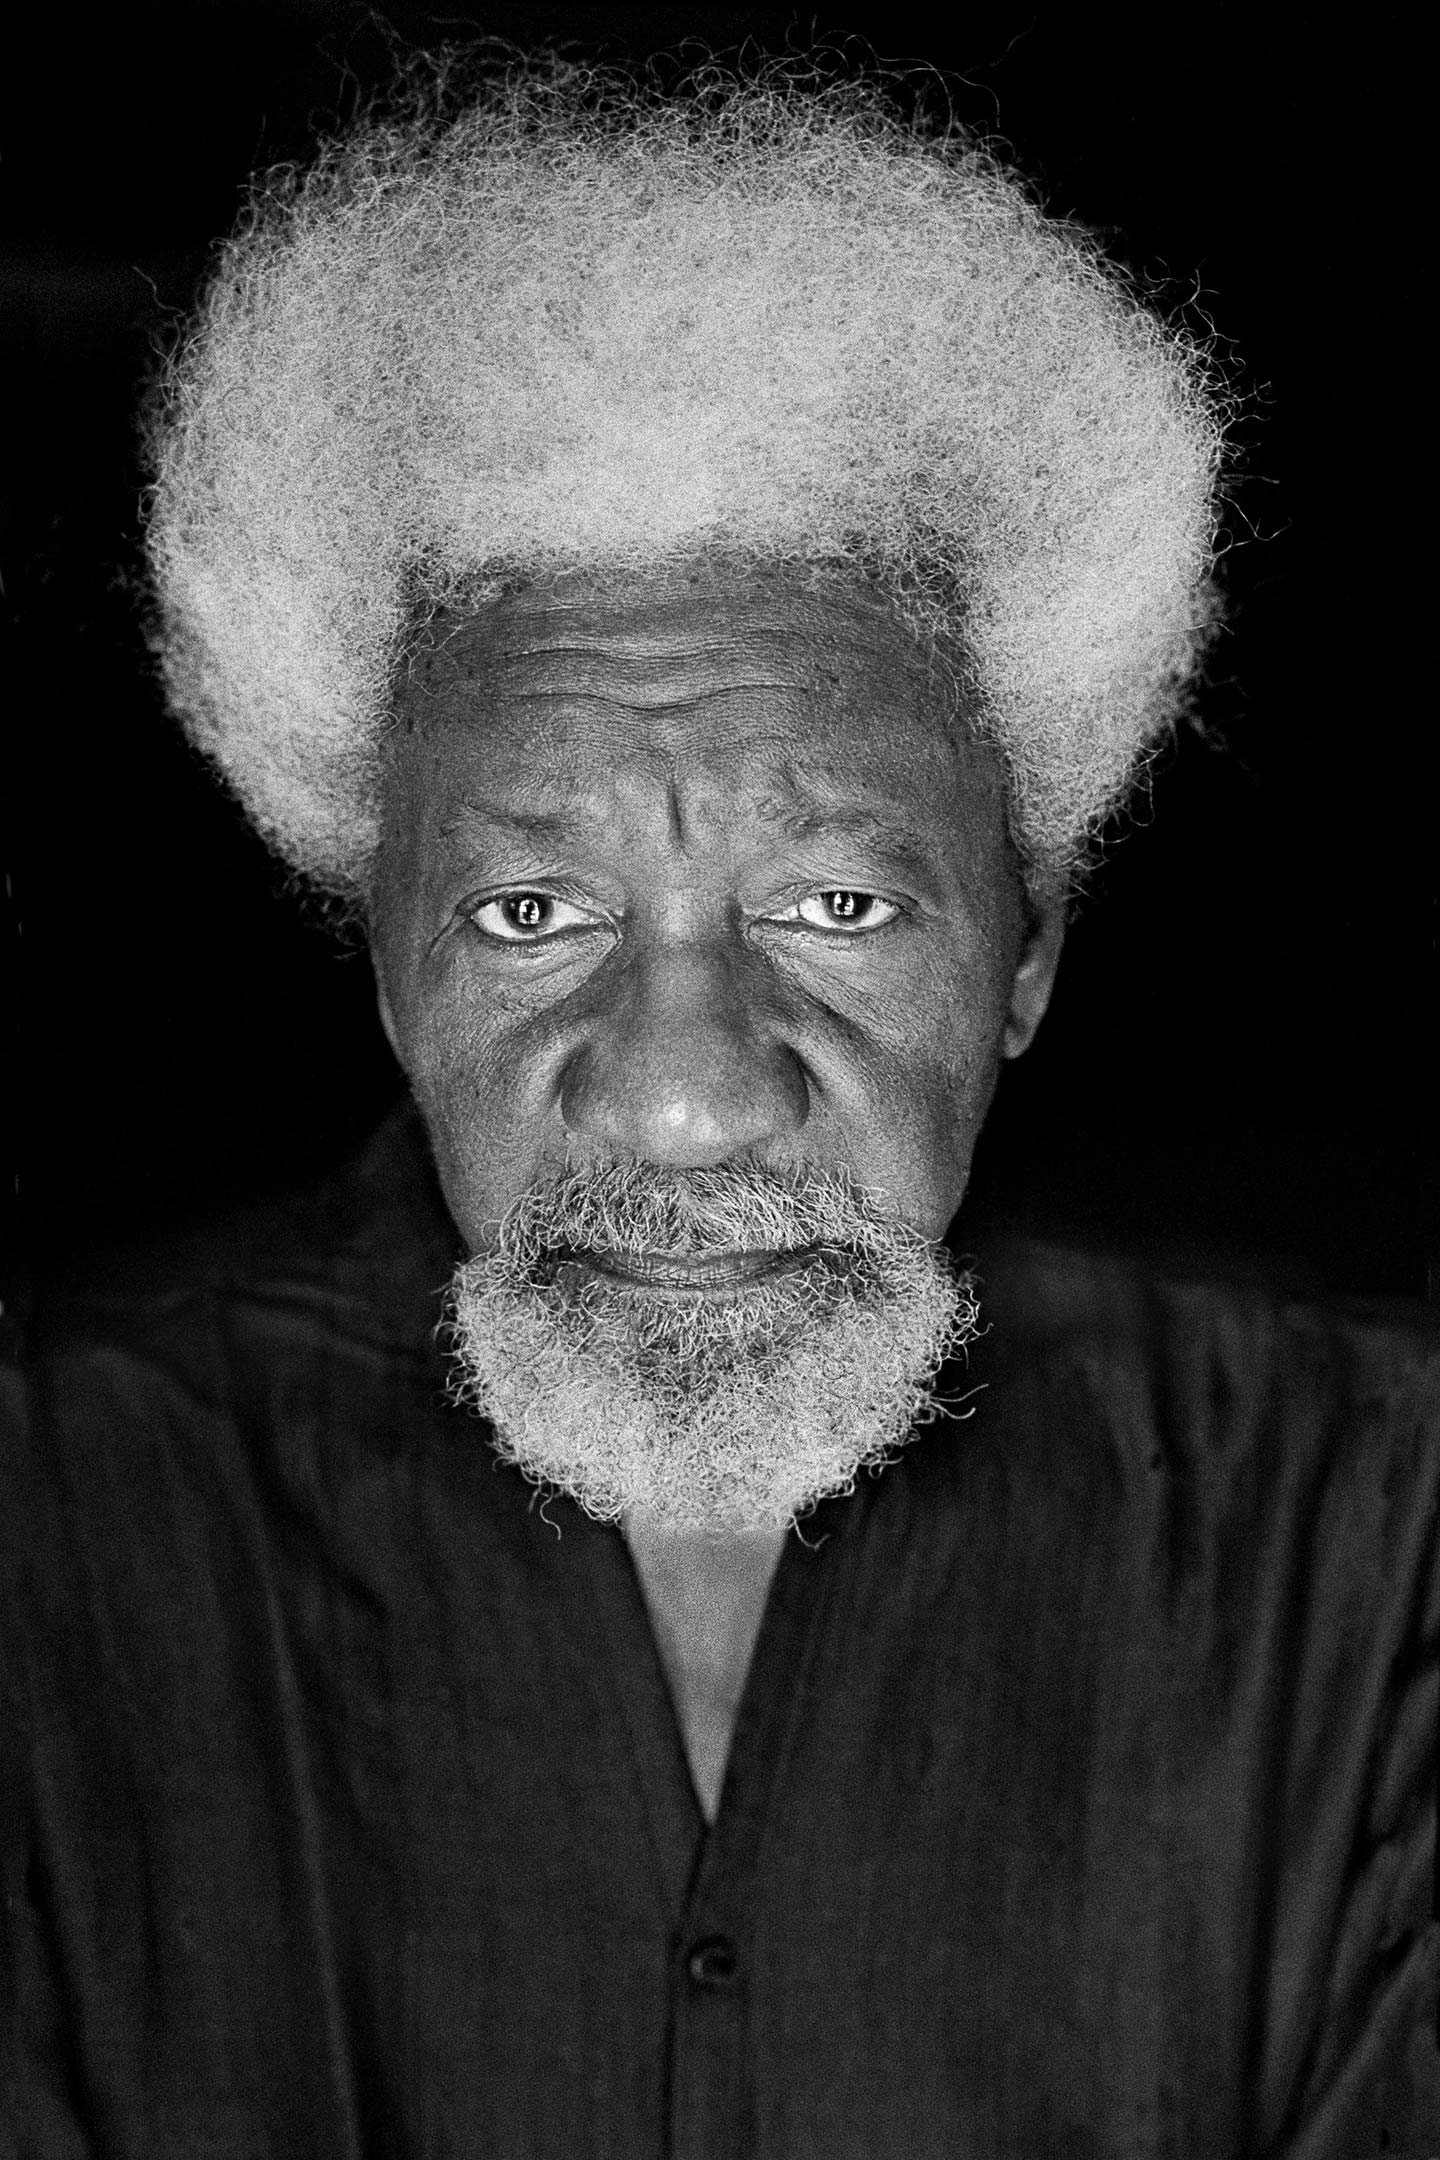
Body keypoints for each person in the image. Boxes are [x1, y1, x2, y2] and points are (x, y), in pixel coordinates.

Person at [2, 56, 1434, 2159]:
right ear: (385, 969)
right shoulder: (49, 1533)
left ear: (1025, 957)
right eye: (533, 909)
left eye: (837, 902)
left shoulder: (1380, 1530)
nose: (683, 1099)